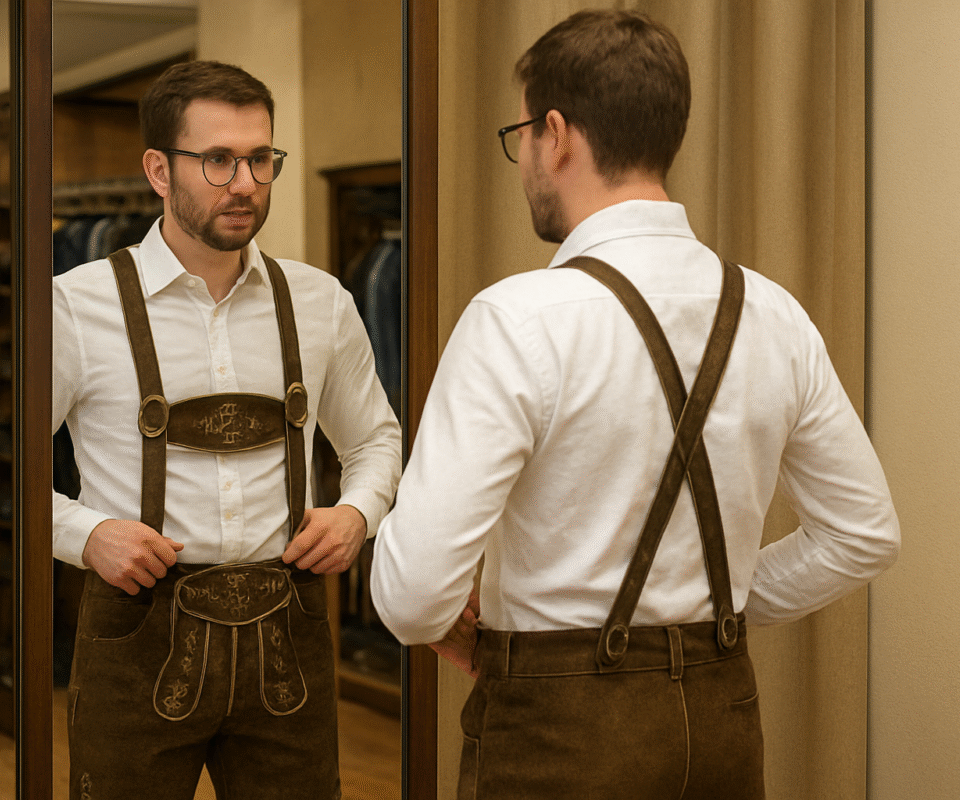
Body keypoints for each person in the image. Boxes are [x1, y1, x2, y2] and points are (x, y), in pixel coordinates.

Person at [369, 10, 899, 800]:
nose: (525, 163)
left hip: (560, 734)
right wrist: (714, 612)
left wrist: (442, 615)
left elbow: (412, 597)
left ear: (556, 134)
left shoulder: (517, 318)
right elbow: (863, 534)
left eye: (523, 137)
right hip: (724, 716)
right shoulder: (772, 312)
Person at [53, 60, 402, 800]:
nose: (244, 181)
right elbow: (13, 472)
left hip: (290, 635)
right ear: (158, 168)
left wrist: (356, 513)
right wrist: (85, 534)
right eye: (217, 159)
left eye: (260, 158)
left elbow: (375, 439)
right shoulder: (74, 307)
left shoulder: (322, 302)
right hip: (137, 634)